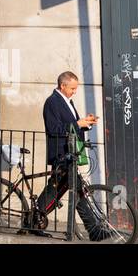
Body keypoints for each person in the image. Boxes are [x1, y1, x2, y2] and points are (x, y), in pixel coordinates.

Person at [32, 70, 108, 240]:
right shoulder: (52, 102)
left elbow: (72, 126)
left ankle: (31, 221)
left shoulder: (67, 101)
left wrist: (86, 124)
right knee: (66, 190)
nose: (75, 91)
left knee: (60, 190)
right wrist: (78, 123)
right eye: (72, 88)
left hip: (70, 153)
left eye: (76, 88)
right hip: (61, 154)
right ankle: (93, 231)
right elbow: (54, 129)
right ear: (62, 85)